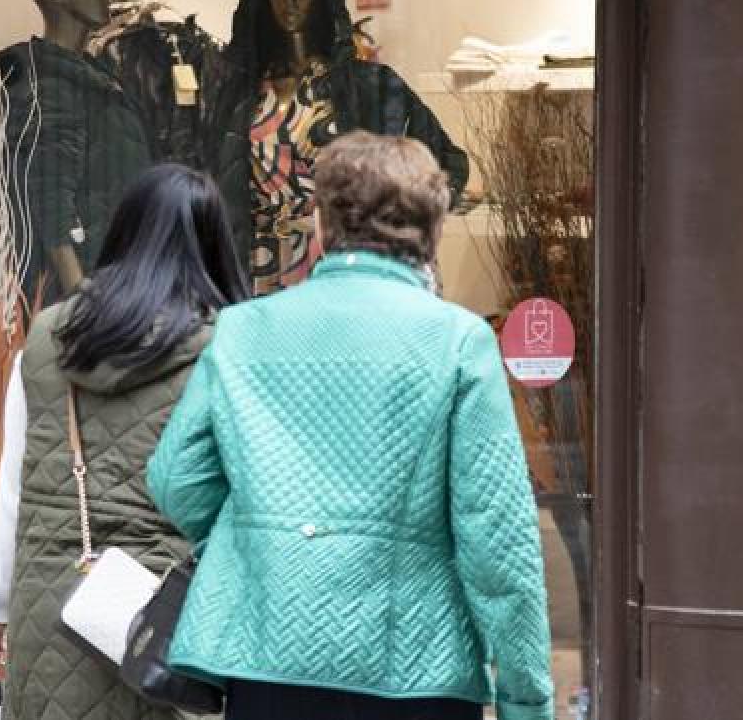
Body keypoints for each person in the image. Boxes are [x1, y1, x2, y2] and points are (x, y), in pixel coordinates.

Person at [148, 132, 554, 720]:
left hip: (269, 655)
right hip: (414, 668)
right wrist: (526, 699)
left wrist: (265, 542)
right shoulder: (458, 342)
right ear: (434, 230)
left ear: (318, 226)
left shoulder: (242, 329)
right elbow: (497, 541)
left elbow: (175, 477)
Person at [0, 163, 249, 720]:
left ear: (123, 232)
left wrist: (1, 602)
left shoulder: (46, 338)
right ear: (213, 246)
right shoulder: (227, 351)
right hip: (161, 624)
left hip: (49, 605)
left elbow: (15, 488)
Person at [201, 0, 468, 295]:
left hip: (343, 264)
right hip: (259, 264)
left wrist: (404, 232)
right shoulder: (241, 96)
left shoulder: (369, 85)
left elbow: (447, 163)